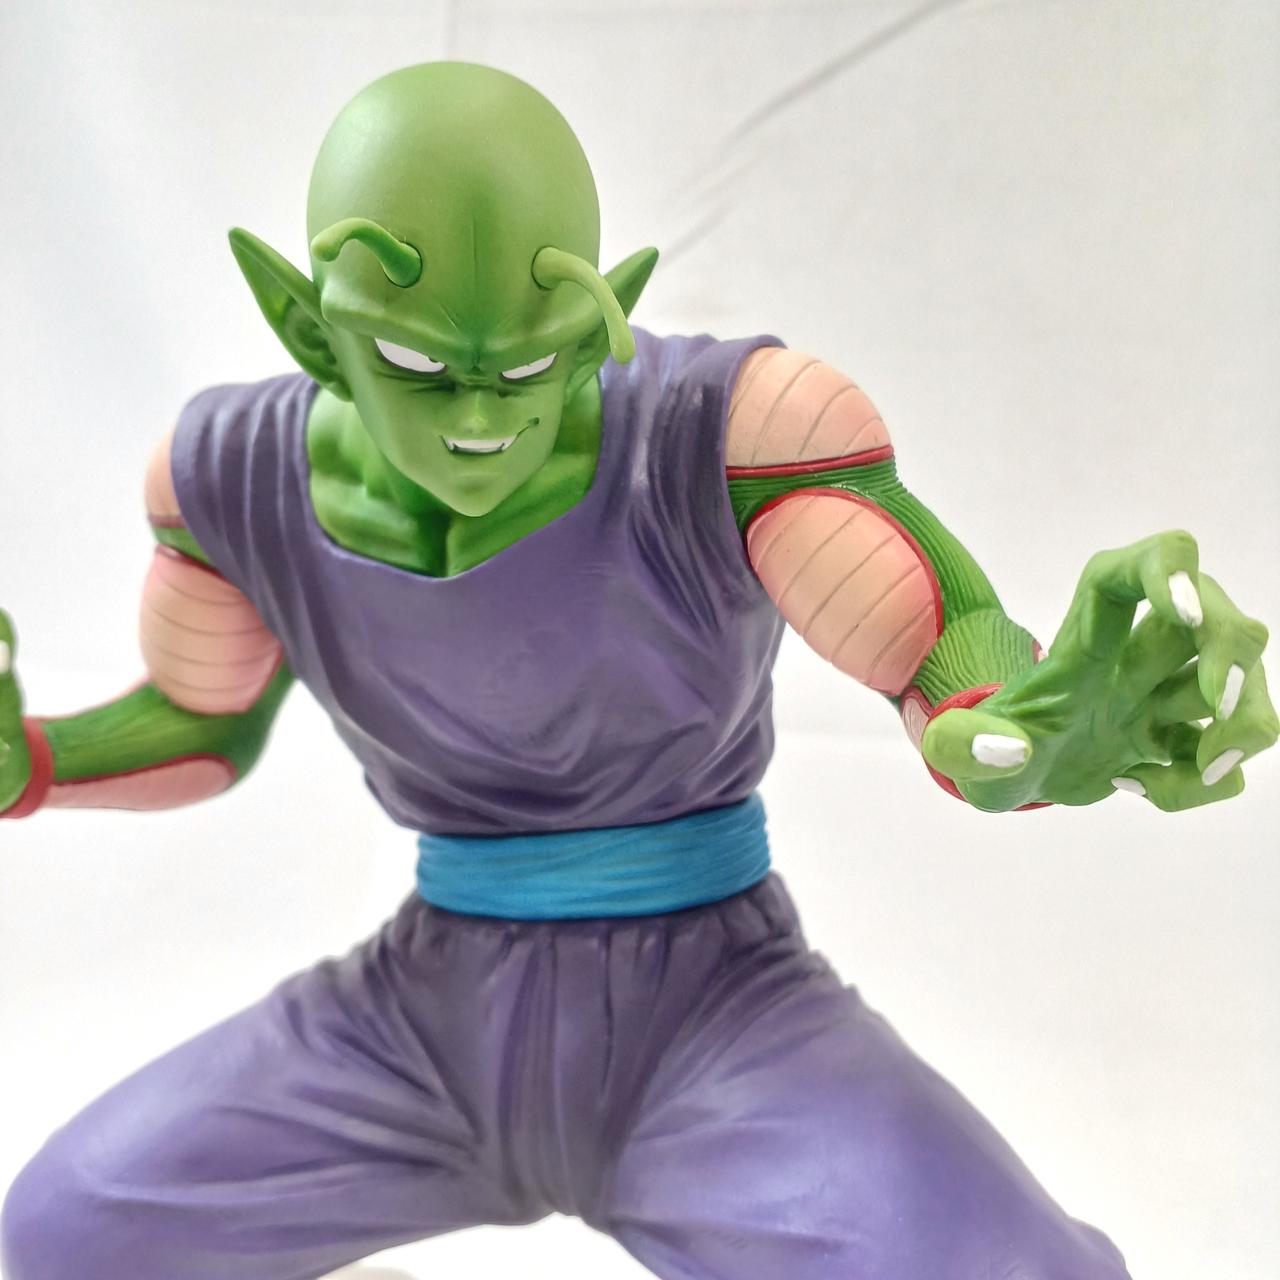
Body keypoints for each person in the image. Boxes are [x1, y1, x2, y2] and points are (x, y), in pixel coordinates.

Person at [1, 61, 1273, 1280]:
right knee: (72, 1235)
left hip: (716, 1020)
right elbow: (197, 720)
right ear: (306, 325)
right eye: (418, 364)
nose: (481, 418)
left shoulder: (730, 431)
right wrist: (37, 760)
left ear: (604, 309)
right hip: (420, 1026)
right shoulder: (226, 476)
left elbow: (934, 645)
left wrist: (1023, 725)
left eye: (534, 359)